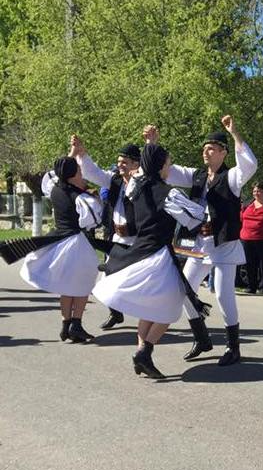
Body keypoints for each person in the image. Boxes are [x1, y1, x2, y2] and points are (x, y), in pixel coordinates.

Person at [146, 116, 257, 366]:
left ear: (222, 152)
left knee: (223, 295)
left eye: (211, 149)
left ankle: (233, 347)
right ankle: (202, 338)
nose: (205, 152)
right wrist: (153, 144)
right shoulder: (195, 176)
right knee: (184, 289)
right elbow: (165, 170)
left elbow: (249, 166)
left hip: (224, 245)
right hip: (199, 243)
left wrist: (235, 133)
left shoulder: (232, 177)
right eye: (204, 149)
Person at [92, 144, 207, 378]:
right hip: (158, 256)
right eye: (168, 163)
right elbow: (195, 217)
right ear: (161, 165)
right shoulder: (168, 193)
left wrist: (149, 147)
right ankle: (145, 352)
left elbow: (140, 173)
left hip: (139, 250)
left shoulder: (137, 187)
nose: (170, 167)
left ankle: (141, 354)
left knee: (150, 305)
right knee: (170, 307)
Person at [0, 143, 104, 343]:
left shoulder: (55, 188)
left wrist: (72, 153)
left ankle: (66, 325)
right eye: (79, 170)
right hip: (75, 243)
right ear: (73, 175)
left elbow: (58, 173)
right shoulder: (81, 198)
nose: (82, 173)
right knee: (83, 284)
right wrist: (96, 200)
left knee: (67, 286)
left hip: (58, 241)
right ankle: (76, 324)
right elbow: (92, 221)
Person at [74, 139, 142, 330]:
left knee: (141, 280)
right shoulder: (115, 181)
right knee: (106, 279)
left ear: (136, 164)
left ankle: (152, 319)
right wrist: (81, 153)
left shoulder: (143, 183)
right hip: (117, 238)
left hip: (138, 240)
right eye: (119, 161)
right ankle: (116, 313)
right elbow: (92, 172)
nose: (120, 165)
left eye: (124, 162)